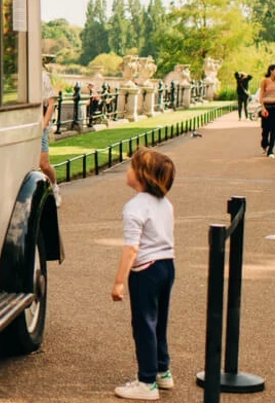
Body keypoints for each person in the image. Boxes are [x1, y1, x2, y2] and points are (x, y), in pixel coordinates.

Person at [111, 148, 176, 400]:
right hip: (166, 264)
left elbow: (132, 247)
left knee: (143, 324)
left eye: (131, 166)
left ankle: (146, 381)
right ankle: (162, 370)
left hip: (145, 270)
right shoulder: (165, 203)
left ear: (141, 175)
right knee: (159, 321)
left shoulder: (134, 207)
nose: (127, 170)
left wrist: (119, 283)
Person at [41, 70, 60, 205]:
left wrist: (44, 124)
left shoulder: (42, 76)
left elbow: (51, 103)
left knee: (43, 164)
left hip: (40, 124)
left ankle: (54, 187)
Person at [258, 65, 275, 158]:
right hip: (267, 107)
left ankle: (271, 150)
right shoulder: (265, 81)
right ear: (271, 71)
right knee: (266, 129)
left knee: (274, 129)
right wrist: (263, 107)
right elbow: (261, 94)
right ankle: (265, 143)